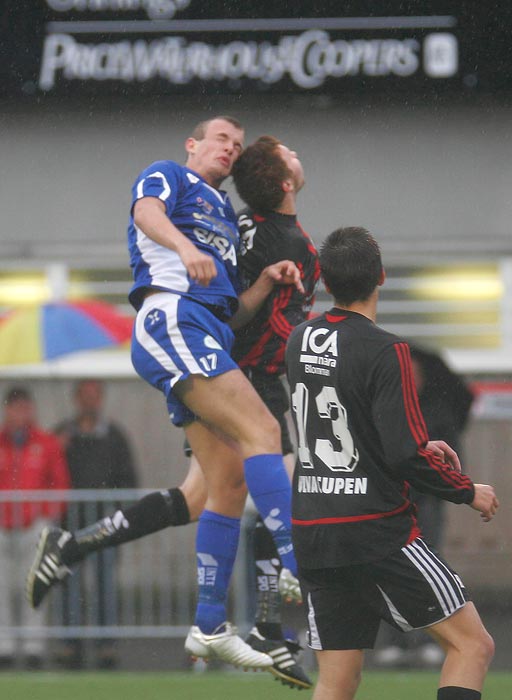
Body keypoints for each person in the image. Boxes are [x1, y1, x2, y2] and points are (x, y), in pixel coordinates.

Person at [26, 127, 316, 685]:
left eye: (236, 143)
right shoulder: (170, 174)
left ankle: (209, 625)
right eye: (221, 137)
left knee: (225, 482)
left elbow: (232, 311)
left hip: (208, 331)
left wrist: (261, 284)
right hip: (173, 319)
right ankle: (296, 577)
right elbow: (145, 211)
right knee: (262, 433)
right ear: (192, 144)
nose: (229, 147)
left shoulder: (229, 218)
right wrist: (183, 246)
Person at [285, 227, 499, 700]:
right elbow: (401, 453)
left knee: (338, 679)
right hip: (374, 529)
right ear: (381, 276)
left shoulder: (300, 340)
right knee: (472, 646)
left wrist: (419, 445)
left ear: (322, 280)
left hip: (316, 528)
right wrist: (467, 490)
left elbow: (350, 427)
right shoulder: (387, 349)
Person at [374, 347, 475, 668]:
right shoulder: (385, 407)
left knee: (427, 571)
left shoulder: (439, 412)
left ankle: (429, 639)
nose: (409, 380)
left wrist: (456, 488)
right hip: (389, 504)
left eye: (413, 374)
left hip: (425, 503)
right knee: (389, 571)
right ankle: (395, 640)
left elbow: (453, 461)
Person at [53, 379, 138, 670]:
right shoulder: (62, 436)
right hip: (70, 526)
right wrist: (58, 449)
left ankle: (106, 646)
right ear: (76, 399)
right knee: (69, 584)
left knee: (105, 585)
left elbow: (129, 479)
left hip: (105, 526)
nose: (90, 402)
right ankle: (70, 644)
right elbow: (51, 476)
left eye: (95, 396)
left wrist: (117, 514)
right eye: (85, 396)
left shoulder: (114, 436)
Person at [0, 386, 70, 669]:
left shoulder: (47, 442)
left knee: (33, 585)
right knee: (3, 587)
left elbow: (60, 482)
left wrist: (47, 516)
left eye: (24, 407)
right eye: (14, 408)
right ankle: (4, 644)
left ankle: (33, 646)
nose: (20, 413)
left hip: (33, 525)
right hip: (3, 525)